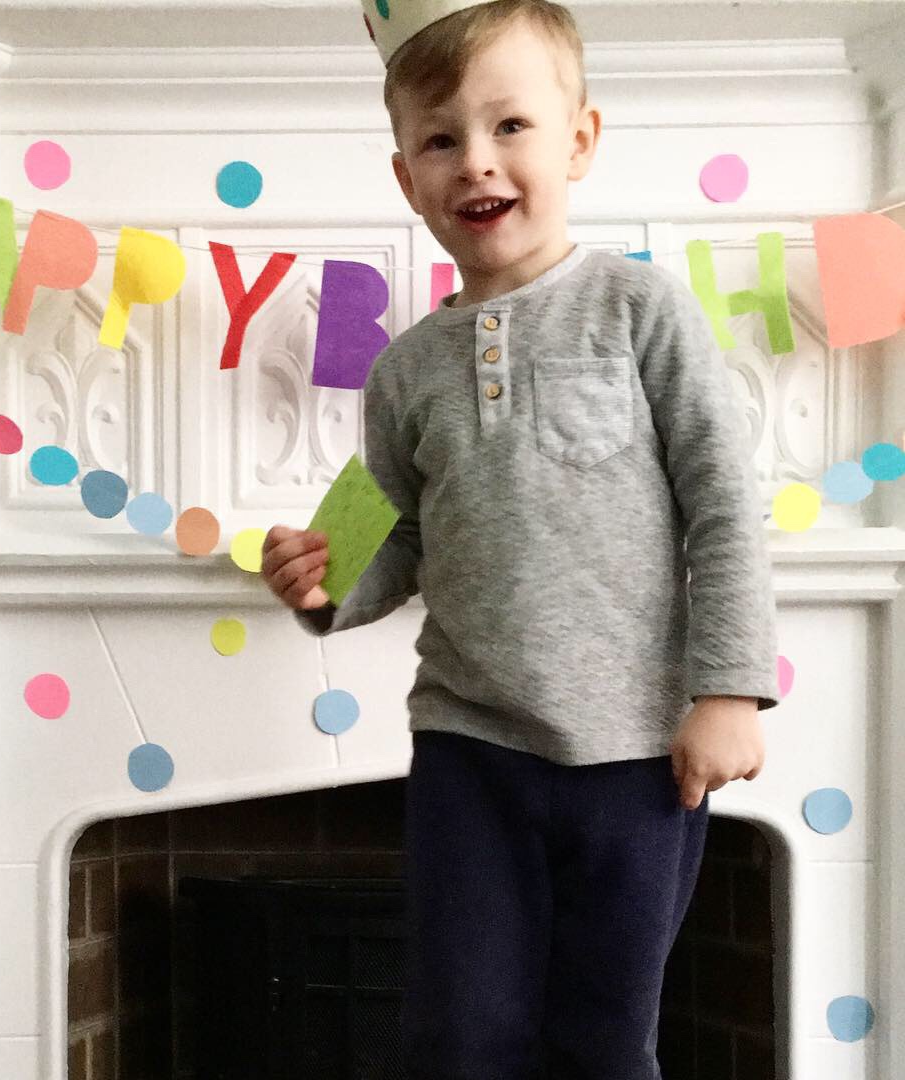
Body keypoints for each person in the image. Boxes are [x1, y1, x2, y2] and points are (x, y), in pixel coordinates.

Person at [261, 2, 779, 1076]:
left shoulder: (643, 309)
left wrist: (729, 689)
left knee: (605, 1038)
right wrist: (322, 584)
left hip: (638, 754)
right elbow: (392, 539)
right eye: (439, 139)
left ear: (579, 140)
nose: (475, 160)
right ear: (406, 179)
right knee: (459, 1035)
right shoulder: (401, 370)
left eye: (509, 126)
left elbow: (726, 503)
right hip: (469, 752)